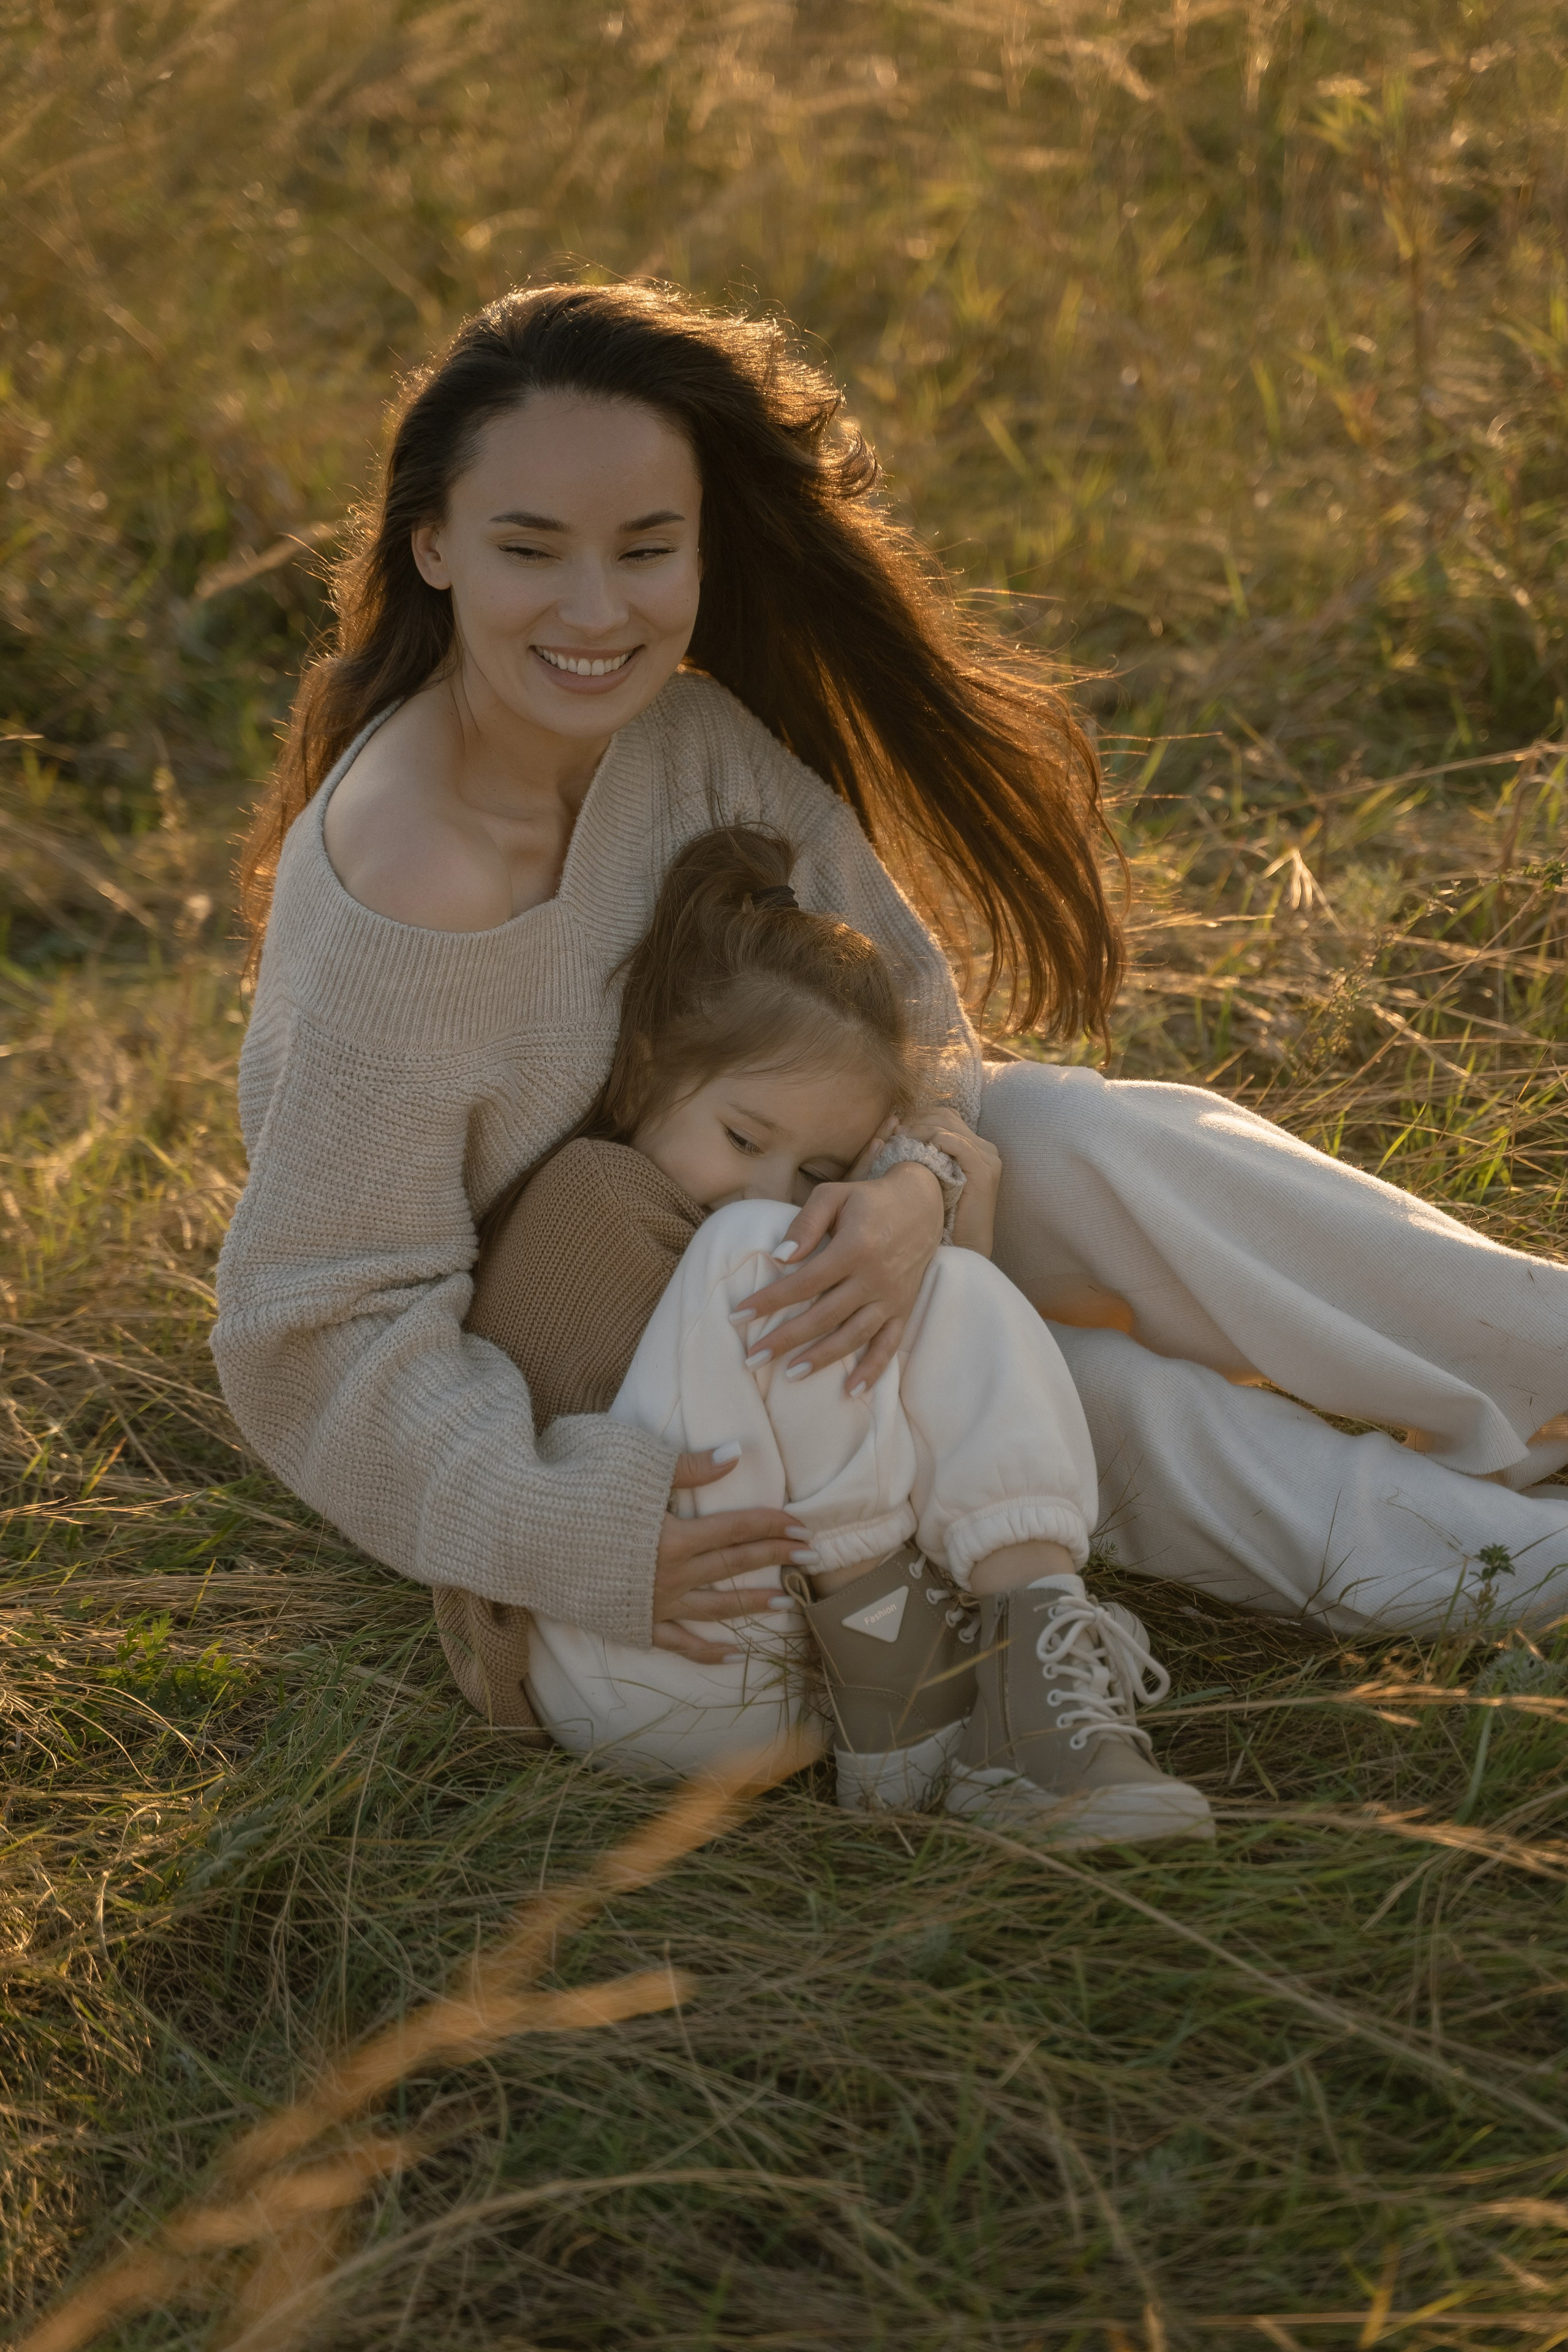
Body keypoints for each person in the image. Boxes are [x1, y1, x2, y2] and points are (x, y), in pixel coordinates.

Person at [213, 281, 1568, 1811]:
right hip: (630, 1436)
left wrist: (918, 1182)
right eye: (532, 551)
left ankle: (1543, 1383)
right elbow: (315, 1329)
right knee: (1058, 1388)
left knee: (1080, 1141)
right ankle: (1512, 1571)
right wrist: (570, 1529)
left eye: (646, 550)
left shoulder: (691, 742)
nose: (597, 613)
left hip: (789, 1271)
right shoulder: (401, 890)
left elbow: (914, 1033)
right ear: (433, 544)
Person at [451, 820, 1215, 1845]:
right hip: (629, 1648)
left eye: (816, 1169)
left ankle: (1032, 1686)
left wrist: (935, 1230)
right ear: (640, 1076)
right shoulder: (596, 1195)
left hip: (810, 1676)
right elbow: (540, 1450)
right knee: (770, 1250)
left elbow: (895, 1399)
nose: (771, 1187)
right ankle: (898, 1636)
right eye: (743, 1136)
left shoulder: (770, 1241)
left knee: (933, 1276)